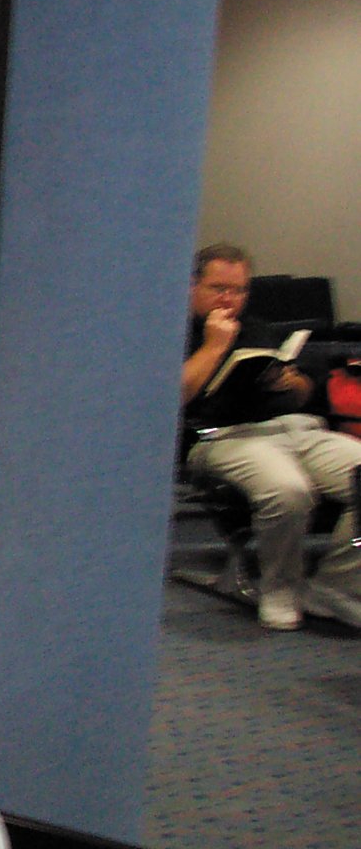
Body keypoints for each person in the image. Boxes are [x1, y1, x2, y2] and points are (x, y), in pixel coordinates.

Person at [182, 243, 361, 631]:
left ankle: (334, 583)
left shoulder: (257, 327)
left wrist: (290, 381)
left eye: (240, 291)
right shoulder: (175, 330)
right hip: (222, 437)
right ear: (192, 286)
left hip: (293, 428)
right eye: (219, 289)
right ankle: (280, 589)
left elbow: (301, 395)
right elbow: (174, 398)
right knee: (288, 490)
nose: (231, 301)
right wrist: (215, 347)